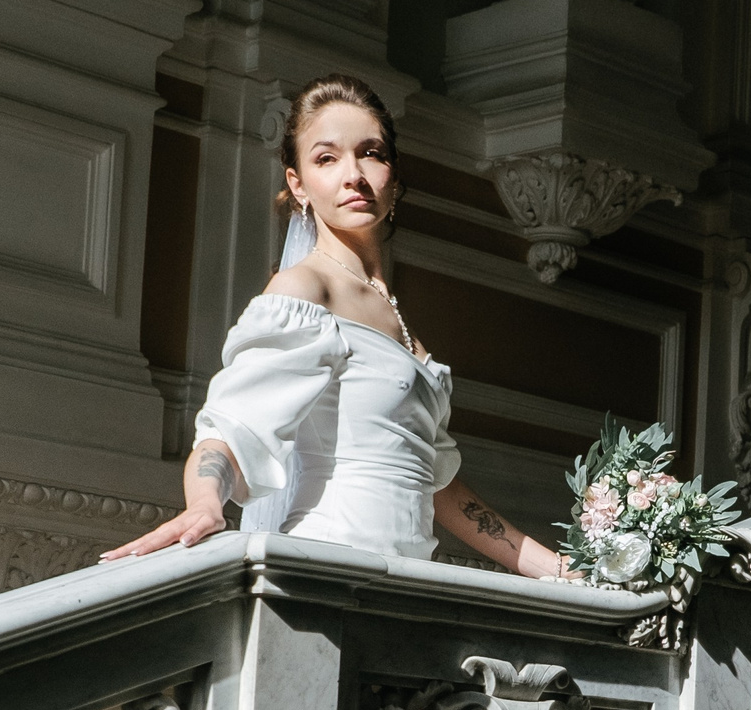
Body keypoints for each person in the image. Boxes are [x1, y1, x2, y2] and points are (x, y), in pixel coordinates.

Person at [101, 75, 564, 578]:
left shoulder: (397, 317)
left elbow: (437, 485)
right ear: (297, 183)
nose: (354, 175)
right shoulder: (303, 291)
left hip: (410, 579)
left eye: (371, 153)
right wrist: (204, 504)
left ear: (393, 173)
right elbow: (230, 433)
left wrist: (560, 569)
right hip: (328, 569)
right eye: (326, 158)